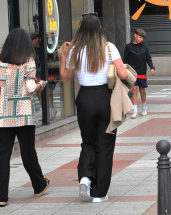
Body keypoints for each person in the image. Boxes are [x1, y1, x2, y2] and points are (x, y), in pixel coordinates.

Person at [59, 13, 128, 203]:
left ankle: (85, 177)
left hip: (85, 99)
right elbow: (122, 74)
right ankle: (100, 194)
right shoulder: (109, 48)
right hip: (105, 98)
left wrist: (64, 56)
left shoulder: (75, 50)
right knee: (105, 146)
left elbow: (65, 76)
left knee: (88, 142)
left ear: (80, 30)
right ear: (99, 29)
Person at [0, 28, 50, 207]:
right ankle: (39, 186)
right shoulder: (28, 62)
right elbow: (30, 87)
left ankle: (0, 197)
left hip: (0, 113)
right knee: (28, 151)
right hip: (22, 113)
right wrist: (41, 85)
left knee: (0, 154)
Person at [123, 28, 155, 119]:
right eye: (140, 37)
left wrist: (152, 67)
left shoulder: (144, 47)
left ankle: (144, 107)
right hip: (132, 73)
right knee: (134, 90)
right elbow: (125, 60)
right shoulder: (128, 47)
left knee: (142, 90)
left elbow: (148, 58)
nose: (141, 39)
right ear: (135, 35)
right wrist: (124, 71)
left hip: (142, 72)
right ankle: (135, 110)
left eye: (142, 38)